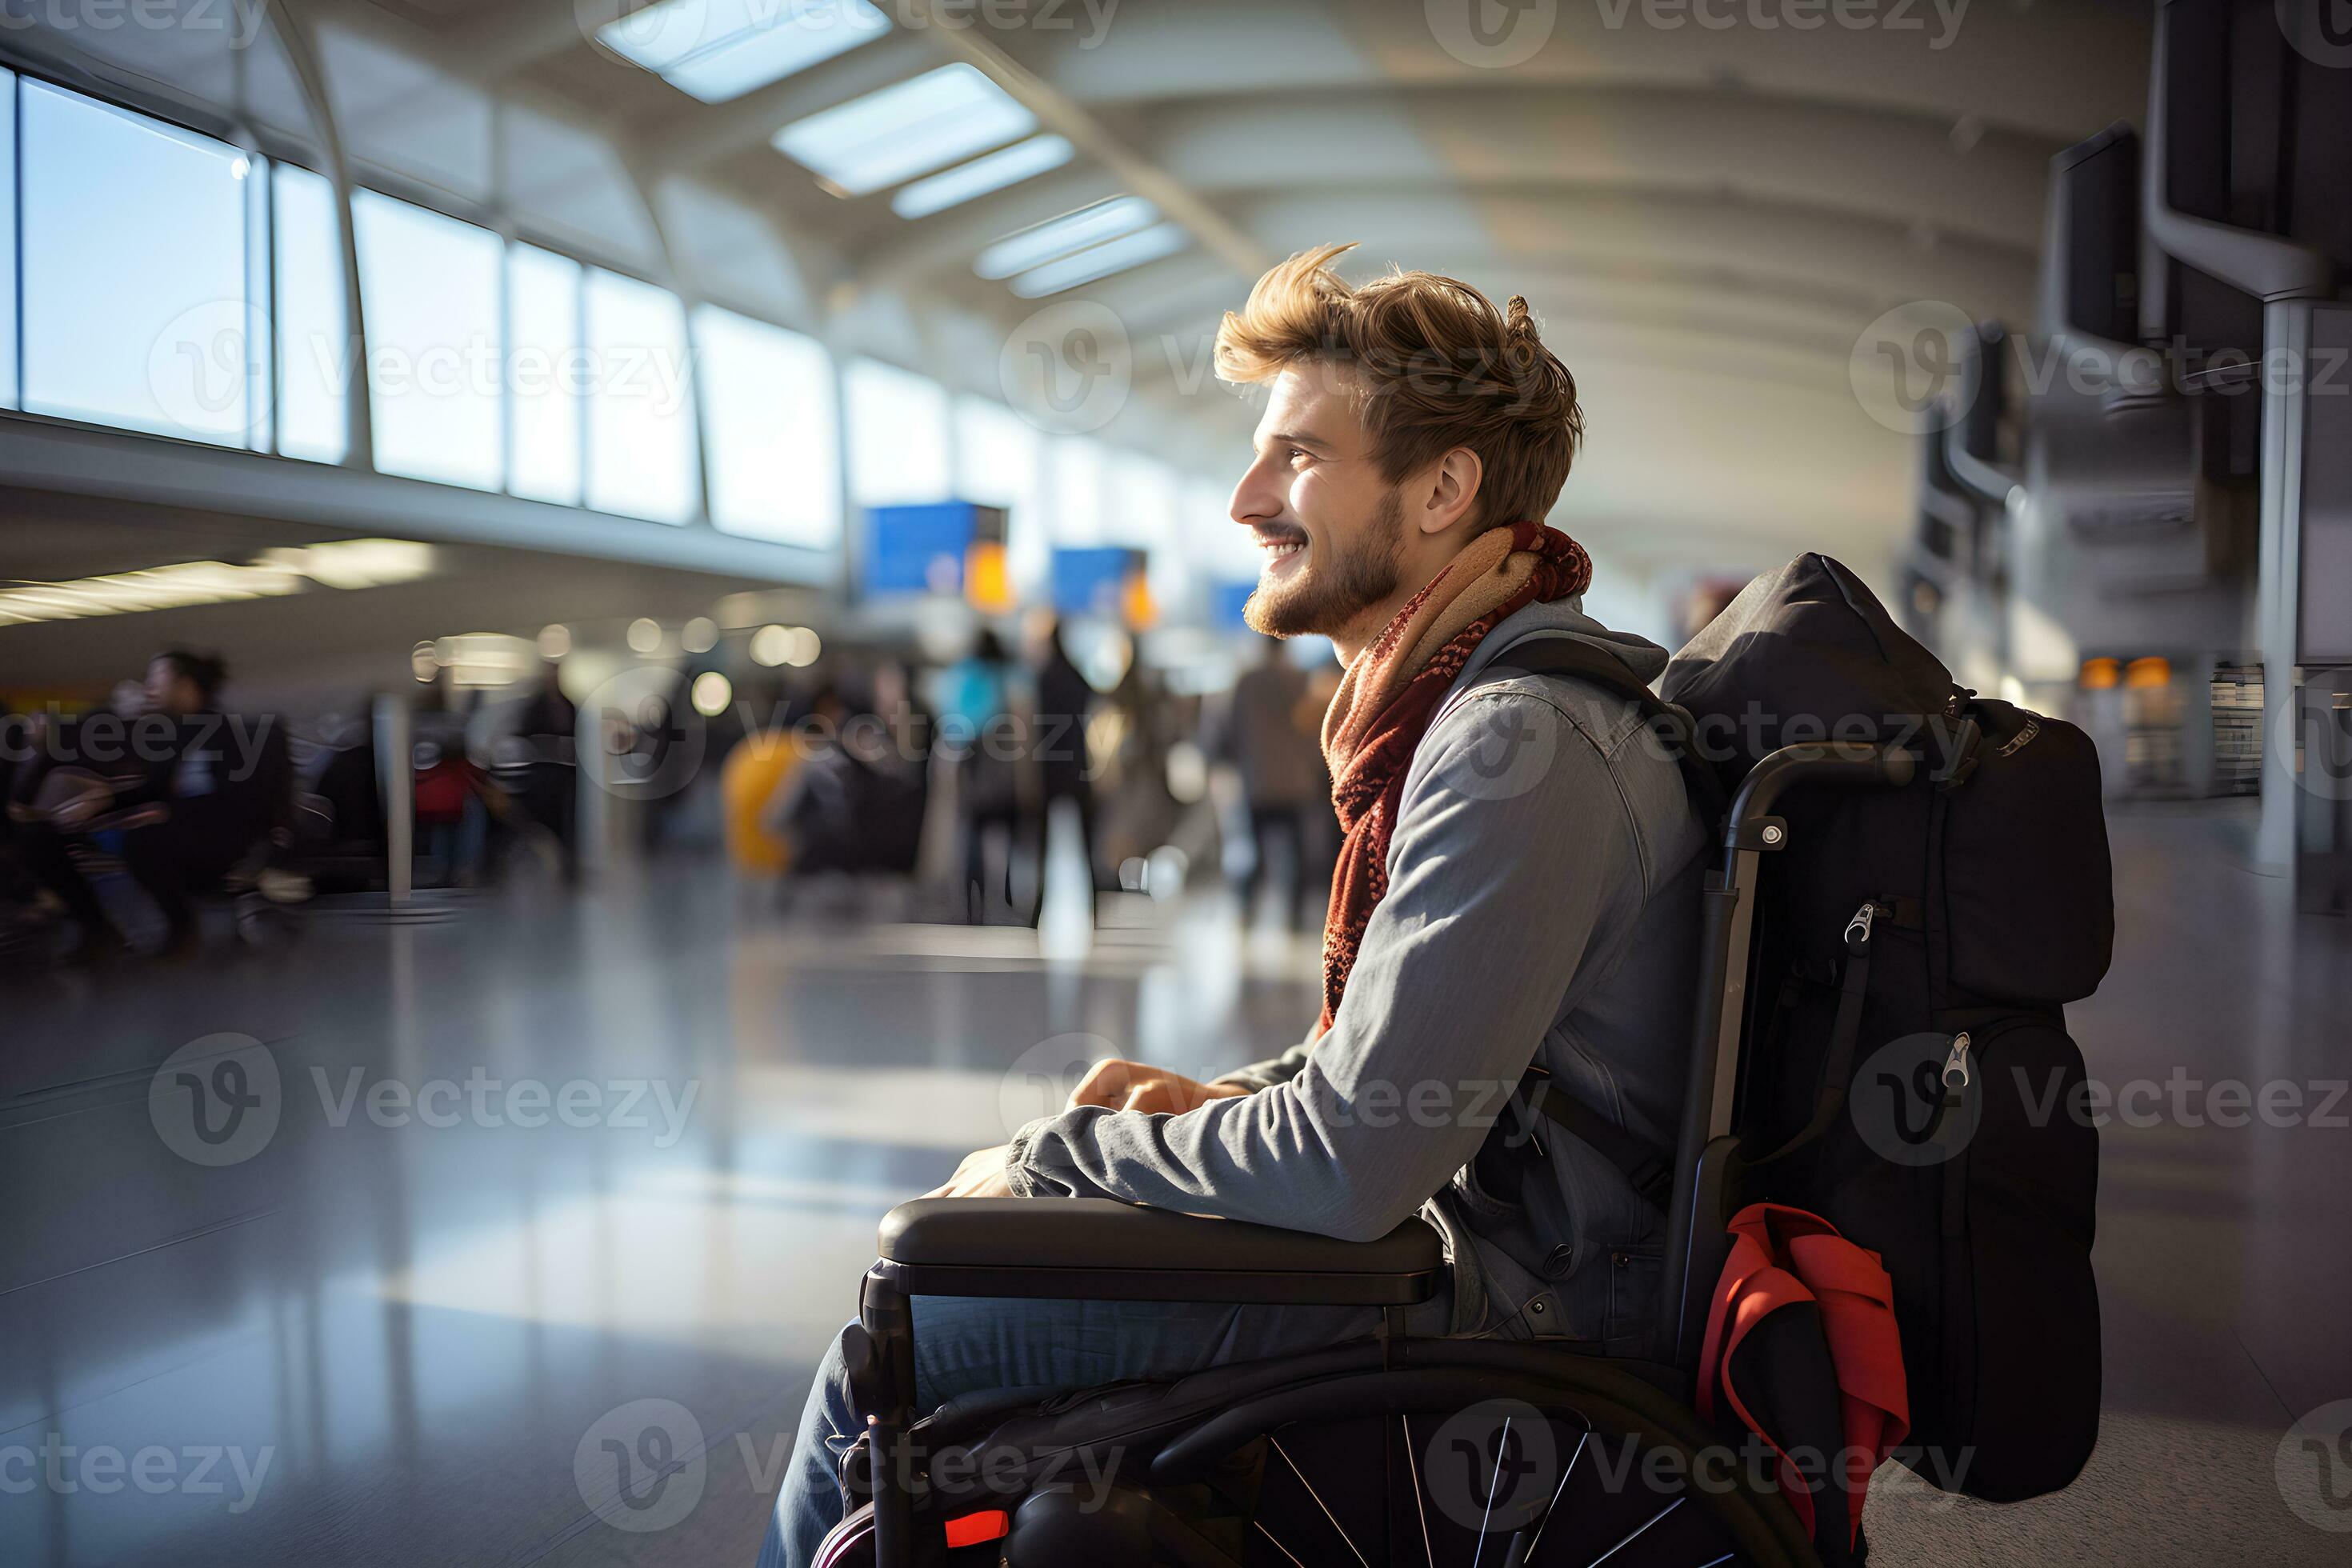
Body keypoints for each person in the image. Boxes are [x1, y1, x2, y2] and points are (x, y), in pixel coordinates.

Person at [758, 243, 1705, 1564]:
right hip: (1471, 1244)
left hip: (1518, 1300)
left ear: (1443, 490)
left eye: (1298, 456)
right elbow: (1385, 1078)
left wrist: (1057, 1160)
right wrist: (1216, 1103)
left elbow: (1354, 1160)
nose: (1246, 496)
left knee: (906, 1328)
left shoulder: (1517, 745)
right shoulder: (1474, 716)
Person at [15, 650, 283, 961]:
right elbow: (154, 789)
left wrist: (164, 815)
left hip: (214, 842)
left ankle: (182, 928)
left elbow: (235, 806)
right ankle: (97, 929)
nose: (150, 686)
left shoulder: (224, 735)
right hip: (173, 832)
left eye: (158, 677)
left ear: (185, 687)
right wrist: (101, 804)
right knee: (39, 838)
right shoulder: (175, 735)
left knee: (145, 840)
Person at [1222, 634, 1328, 929]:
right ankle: (1293, 917)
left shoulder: (1246, 682)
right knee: (1296, 854)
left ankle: (1246, 912)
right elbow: (1316, 733)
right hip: (1297, 782)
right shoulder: (1301, 680)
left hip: (1257, 781)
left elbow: (1228, 732)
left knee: (1253, 851)